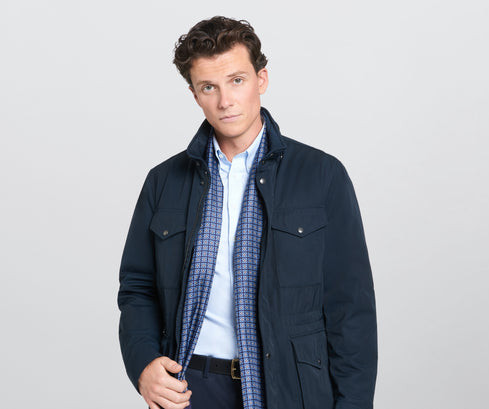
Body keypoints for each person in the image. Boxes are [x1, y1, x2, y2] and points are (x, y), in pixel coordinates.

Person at [118, 16, 377, 409]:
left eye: (237, 80)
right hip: (190, 388)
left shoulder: (321, 176)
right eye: (209, 87)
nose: (225, 101)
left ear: (261, 80)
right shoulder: (164, 181)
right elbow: (138, 288)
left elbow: (350, 307)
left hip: (289, 389)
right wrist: (143, 363)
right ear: (195, 94)